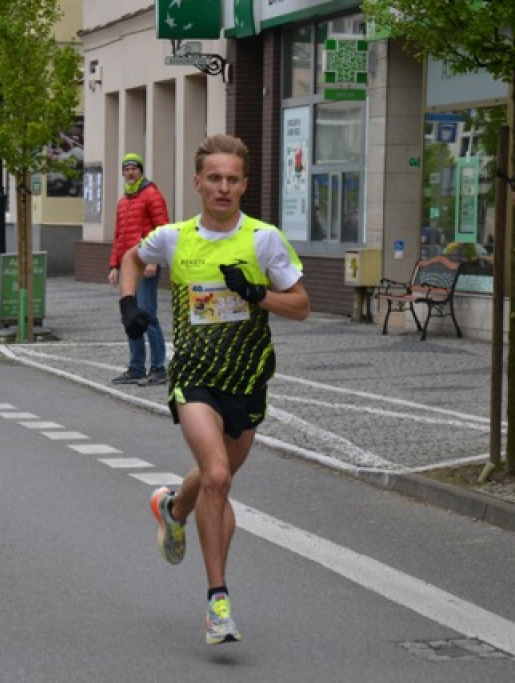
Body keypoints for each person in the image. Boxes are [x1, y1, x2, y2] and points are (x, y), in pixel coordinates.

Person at [118, 134, 309, 645]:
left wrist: (257, 294)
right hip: (195, 376)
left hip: (246, 381)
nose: (223, 188)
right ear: (198, 182)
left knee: (210, 477)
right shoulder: (175, 237)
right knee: (219, 478)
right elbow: (133, 260)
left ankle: (173, 509)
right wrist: (129, 306)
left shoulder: (264, 239)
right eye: (214, 179)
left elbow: (302, 304)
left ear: (244, 184)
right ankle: (217, 604)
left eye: (233, 179)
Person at [108, 152, 170, 385]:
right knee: (130, 316)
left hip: (146, 264)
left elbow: (163, 229)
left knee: (148, 315)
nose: (130, 172)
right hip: (128, 267)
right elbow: (119, 237)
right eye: (126, 169)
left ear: (141, 171)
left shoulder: (151, 195)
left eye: (134, 168)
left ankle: (158, 368)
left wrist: (154, 260)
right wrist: (115, 265)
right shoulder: (124, 201)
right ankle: (136, 367)